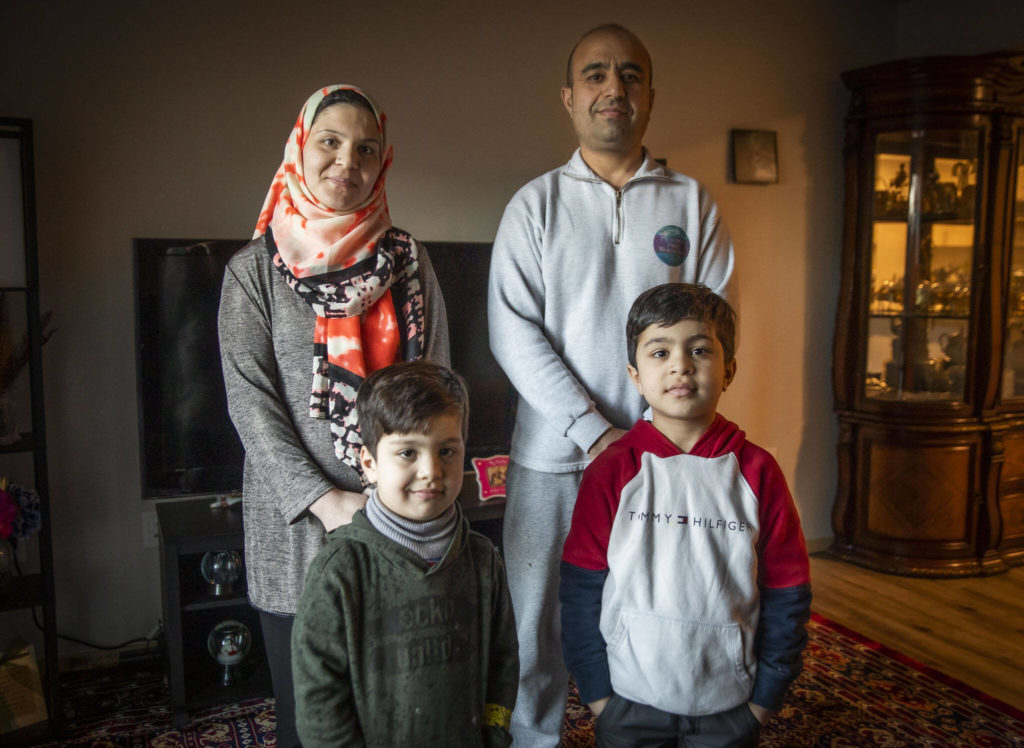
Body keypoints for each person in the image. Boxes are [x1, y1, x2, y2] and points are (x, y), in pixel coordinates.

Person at [486, 23, 736, 746]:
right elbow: (512, 332)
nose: (613, 88)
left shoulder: (694, 205)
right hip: (553, 464)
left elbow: (715, 329)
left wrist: (655, 439)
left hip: (665, 466)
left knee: (654, 625)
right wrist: (594, 431)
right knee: (534, 633)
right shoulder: (533, 207)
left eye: (630, 75)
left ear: (650, 97)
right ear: (569, 97)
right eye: (596, 75)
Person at [218, 85, 450, 747]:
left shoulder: (411, 262)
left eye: (366, 148)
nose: (347, 160)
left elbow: (433, 387)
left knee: (400, 711)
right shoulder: (252, 274)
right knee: (311, 723)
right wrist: (327, 502)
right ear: (300, 146)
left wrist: (391, 497)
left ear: (384, 162)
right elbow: (250, 403)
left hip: (398, 521)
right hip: (296, 536)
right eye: (330, 141)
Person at [560, 283, 811, 747]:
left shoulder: (758, 472)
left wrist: (764, 702)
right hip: (627, 702)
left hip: (730, 705)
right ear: (635, 375)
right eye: (660, 352)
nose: (680, 364)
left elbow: (787, 592)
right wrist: (598, 697)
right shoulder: (612, 471)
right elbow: (580, 591)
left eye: (699, 349)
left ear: (729, 371)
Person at [291, 361, 519, 747]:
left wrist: (494, 734)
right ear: (369, 463)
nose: (432, 470)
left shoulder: (483, 559)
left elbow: (503, 659)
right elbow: (319, 700)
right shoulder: (340, 570)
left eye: (447, 450)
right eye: (408, 453)